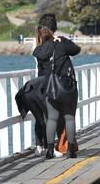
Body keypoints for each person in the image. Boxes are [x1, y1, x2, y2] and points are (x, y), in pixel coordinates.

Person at [32, 14, 81, 159]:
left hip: (50, 88)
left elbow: (40, 67)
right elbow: (77, 49)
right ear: (55, 28)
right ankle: (71, 150)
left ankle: (49, 150)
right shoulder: (62, 43)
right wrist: (63, 39)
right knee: (69, 118)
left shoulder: (39, 50)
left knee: (51, 118)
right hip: (67, 86)